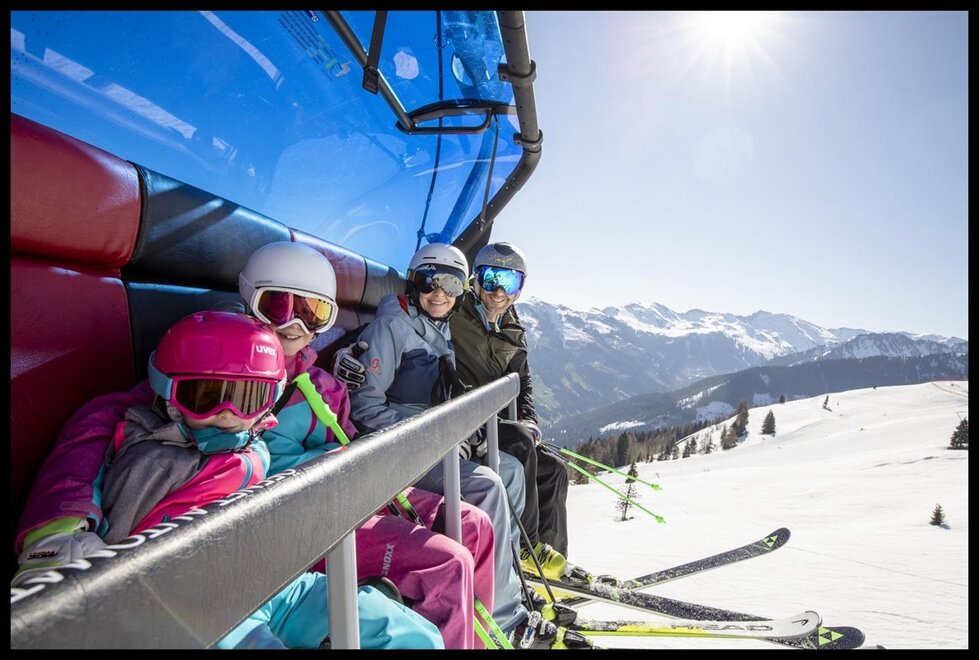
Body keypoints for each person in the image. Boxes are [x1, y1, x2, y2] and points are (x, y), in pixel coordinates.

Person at [14, 310, 443, 650]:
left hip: (270, 582)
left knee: (409, 634)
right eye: (205, 397)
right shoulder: (141, 439)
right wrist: (59, 543)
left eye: (248, 398)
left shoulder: (257, 443)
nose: (228, 414)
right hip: (184, 595)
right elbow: (74, 472)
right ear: (167, 392)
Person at [237, 240, 496, 649]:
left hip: (351, 490)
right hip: (306, 513)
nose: (296, 324)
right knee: (448, 562)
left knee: (473, 525)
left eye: (312, 312)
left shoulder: (323, 384)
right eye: (279, 306)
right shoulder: (234, 372)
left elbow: (350, 429)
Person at [344, 242, 592, 649]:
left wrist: (460, 429)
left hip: (432, 440)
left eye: (451, 284)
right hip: (398, 452)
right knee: (490, 484)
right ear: (414, 281)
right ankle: (505, 618)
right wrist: (438, 433)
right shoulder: (394, 327)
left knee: (511, 470)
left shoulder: (438, 326)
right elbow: (365, 406)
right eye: (430, 281)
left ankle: (509, 582)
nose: (439, 292)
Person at [449, 242, 571, 577]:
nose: (499, 291)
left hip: (495, 420)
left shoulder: (513, 329)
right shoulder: (456, 311)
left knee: (554, 470)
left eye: (510, 281)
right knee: (518, 440)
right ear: (476, 279)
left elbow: (522, 382)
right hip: (467, 423)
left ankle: (551, 561)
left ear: (520, 287)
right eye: (491, 278)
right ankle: (526, 547)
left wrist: (529, 417)